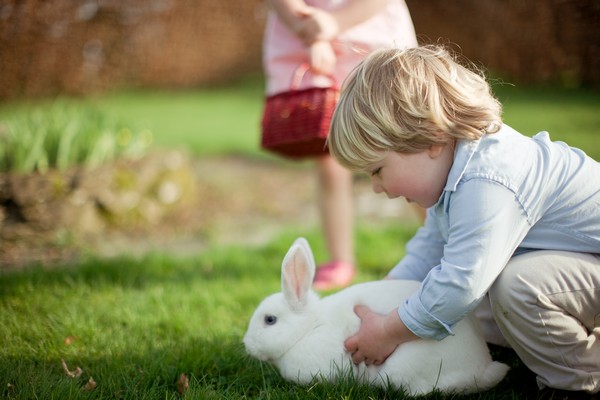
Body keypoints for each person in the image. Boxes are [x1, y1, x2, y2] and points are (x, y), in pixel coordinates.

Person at [328, 45, 600, 396]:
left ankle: (577, 381)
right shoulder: (455, 176)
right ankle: (539, 345)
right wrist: (381, 301)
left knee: (512, 287)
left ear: (430, 138)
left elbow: (460, 284)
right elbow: (428, 254)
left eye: (378, 170)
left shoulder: (488, 178)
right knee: (463, 300)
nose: (378, 188)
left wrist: (389, 331)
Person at [262, 0, 418, 290]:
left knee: (406, 144)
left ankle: (438, 239)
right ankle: (340, 258)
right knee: (328, 154)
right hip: (305, 37)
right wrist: (308, 31)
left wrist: (334, 24)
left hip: (372, 32)